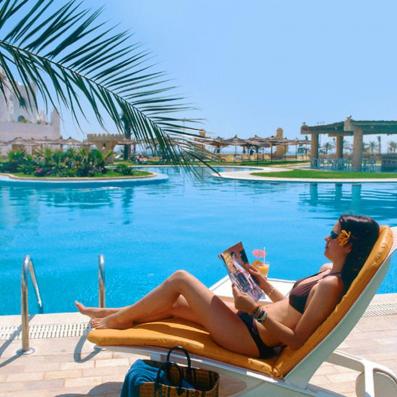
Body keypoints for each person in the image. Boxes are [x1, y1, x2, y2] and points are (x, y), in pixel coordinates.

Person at [76, 215, 379, 358]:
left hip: (252, 338)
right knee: (172, 304)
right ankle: (114, 311)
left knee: (181, 279)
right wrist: (261, 285)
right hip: (250, 319)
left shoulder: (332, 285)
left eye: (333, 233)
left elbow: (297, 341)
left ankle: (118, 319)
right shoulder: (325, 272)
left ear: (348, 245)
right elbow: (291, 306)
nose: (326, 237)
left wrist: (254, 312)